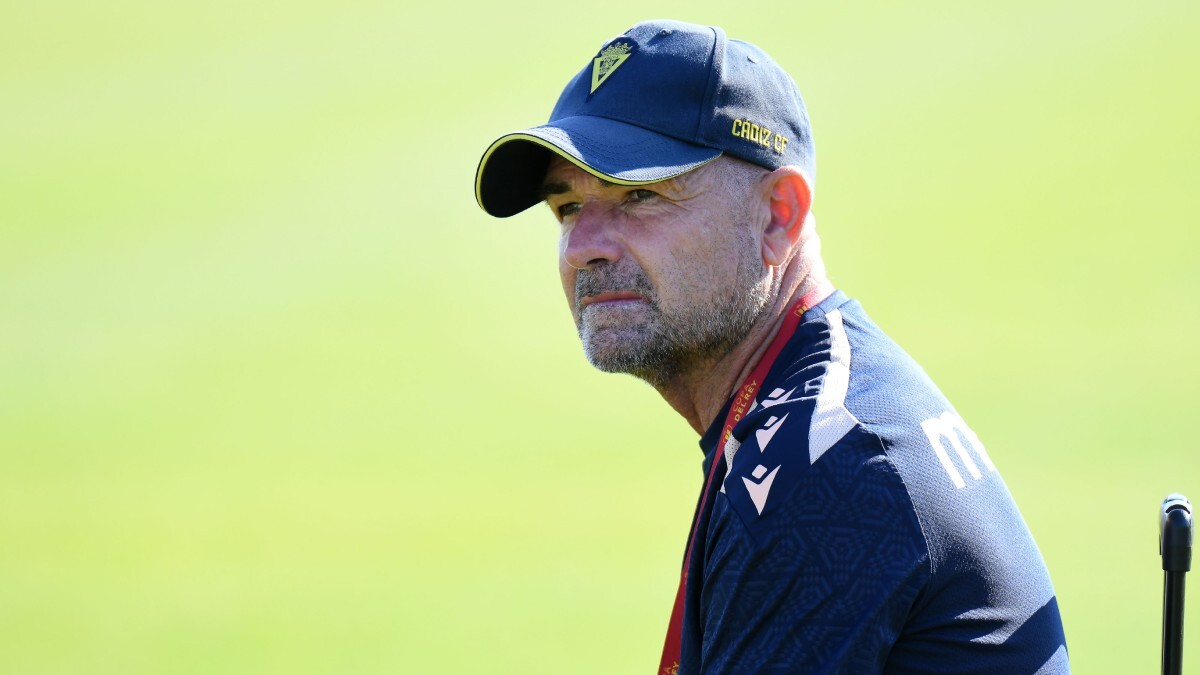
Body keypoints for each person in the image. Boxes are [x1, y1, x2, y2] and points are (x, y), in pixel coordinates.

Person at [473, 19, 1069, 674]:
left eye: (640, 195)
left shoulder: (826, 463)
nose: (585, 246)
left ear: (778, 213)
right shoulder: (811, 411)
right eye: (566, 208)